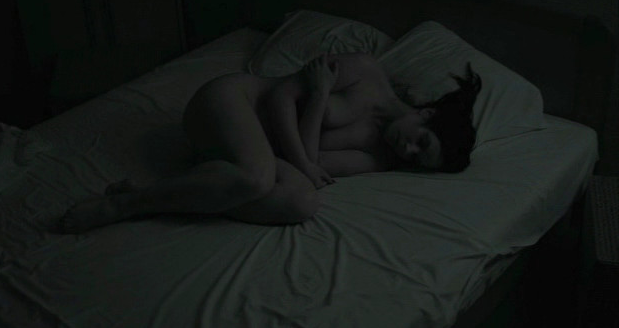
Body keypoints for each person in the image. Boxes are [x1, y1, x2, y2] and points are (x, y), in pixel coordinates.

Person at [61, 53, 481, 233]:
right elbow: (280, 97)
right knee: (258, 178)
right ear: (427, 114)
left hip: (251, 151)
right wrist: (306, 156)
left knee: (301, 204)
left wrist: (319, 94)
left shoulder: (378, 157)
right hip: (233, 103)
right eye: (421, 142)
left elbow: (312, 165)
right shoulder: (366, 72)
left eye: (416, 160)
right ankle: (128, 204)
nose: (408, 151)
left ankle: (207, 180)